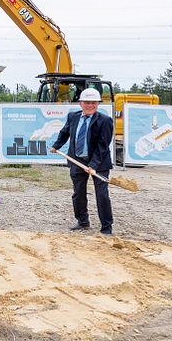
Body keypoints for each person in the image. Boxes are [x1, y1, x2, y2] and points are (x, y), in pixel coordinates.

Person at [50, 88, 114, 235]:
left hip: (99, 163)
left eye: (93, 103)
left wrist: (92, 166)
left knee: (102, 195)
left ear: (98, 104)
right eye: (87, 102)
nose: (90, 105)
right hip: (76, 159)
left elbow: (102, 146)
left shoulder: (105, 121)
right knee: (78, 193)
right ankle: (82, 221)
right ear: (80, 103)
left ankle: (106, 227)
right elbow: (65, 132)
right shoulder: (73, 116)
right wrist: (56, 145)